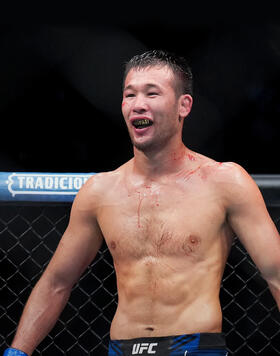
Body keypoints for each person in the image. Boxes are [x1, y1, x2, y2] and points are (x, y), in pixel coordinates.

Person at [4, 50, 280, 356]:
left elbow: (276, 273)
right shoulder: (100, 191)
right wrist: (18, 352)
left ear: (183, 105)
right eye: (129, 94)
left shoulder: (224, 182)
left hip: (194, 348)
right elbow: (56, 282)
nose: (138, 104)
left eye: (152, 93)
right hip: (122, 348)